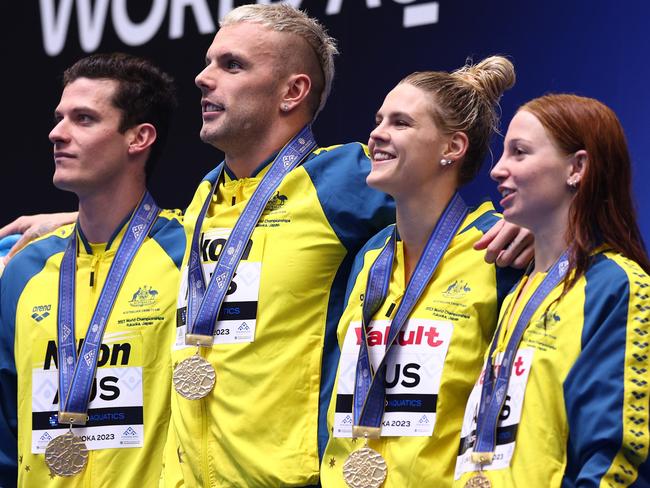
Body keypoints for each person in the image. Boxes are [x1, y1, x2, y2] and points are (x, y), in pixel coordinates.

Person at [319, 56, 522, 487]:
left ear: (452, 147)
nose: (376, 134)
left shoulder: (497, 249)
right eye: (378, 120)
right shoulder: (368, 256)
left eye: (401, 123)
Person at [0, 53, 184, 487]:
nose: (56, 133)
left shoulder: (190, 254)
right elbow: (6, 432)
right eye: (60, 117)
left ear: (139, 138)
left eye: (83, 119)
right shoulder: (24, 267)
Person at [454, 94, 650, 486]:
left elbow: (614, 455)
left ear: (577, 168)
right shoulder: (519, 291)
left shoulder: (616, 286)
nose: (497, 169)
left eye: (520, 153)